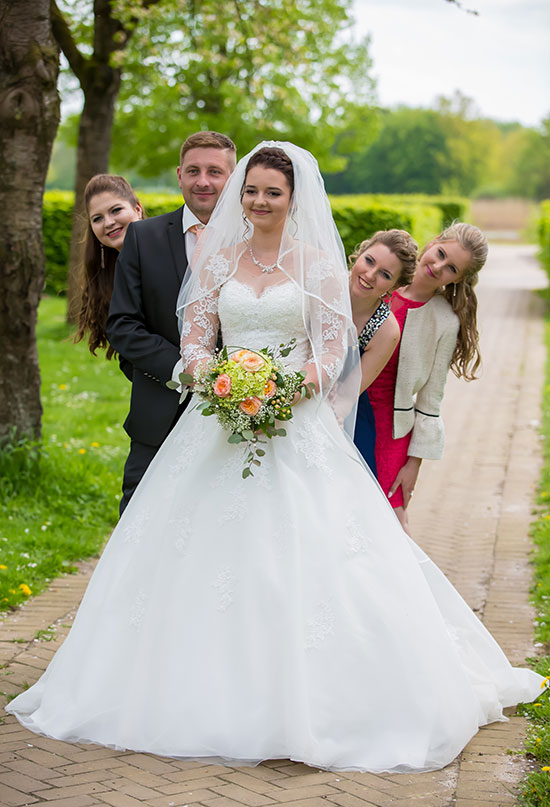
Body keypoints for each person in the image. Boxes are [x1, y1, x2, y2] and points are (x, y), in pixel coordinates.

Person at [6, 143, 542, 774]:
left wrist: (283, 390)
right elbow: (198, 340)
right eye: (252, 191)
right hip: (218, 419)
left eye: (273, 193)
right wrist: (222, 381)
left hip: (295, 424)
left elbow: (331, 353)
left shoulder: (317, 265)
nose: (259, 202)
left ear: (293, 201)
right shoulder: (215, 258)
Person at [106, 131, 236, 514]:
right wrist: (185, 370)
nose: (203, 181)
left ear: (233, 178)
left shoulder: (256, 242)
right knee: (139, 523)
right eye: (193, 170)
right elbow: (123, 324)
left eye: (215, 171)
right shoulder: (143, 237)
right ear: (179, 175)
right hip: (159, 412)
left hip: (237, 417)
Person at [367, 223, 487, 534]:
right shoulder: (381, 284)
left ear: (458, 280)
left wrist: (414, 463)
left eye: (451, 269)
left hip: (392, 433)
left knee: (392, 521)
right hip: (347, 415)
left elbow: (431, 400)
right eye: (441, 254)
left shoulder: (444, 321)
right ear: (434, 242)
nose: (437, 266)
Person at [349, 230, 418, 475]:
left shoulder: (386, 330)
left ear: (395, 286)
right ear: (359, 254)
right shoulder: (323, 288)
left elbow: (348, 394)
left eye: (385, 275)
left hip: (344, 414)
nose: (369, 275)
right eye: (369, 261)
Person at [73, 174, 143, 374]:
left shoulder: (173, 251)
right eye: (97, 218)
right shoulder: (107, 280)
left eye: (116, 210)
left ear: (137, 208)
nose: (109, 222)